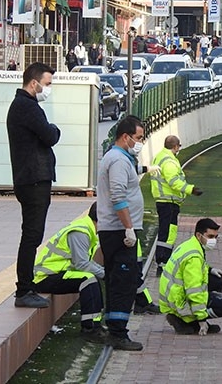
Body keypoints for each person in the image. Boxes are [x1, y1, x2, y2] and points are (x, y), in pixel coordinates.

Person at [6, 62, 60, 308]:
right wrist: (54, 129)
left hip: (31, 178)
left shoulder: (25, 106)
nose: (49, 89)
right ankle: (24, 289)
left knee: (32, 234)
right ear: (34, 83)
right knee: (31, 235)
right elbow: (50, 136)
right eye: (47, 84)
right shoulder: (27, 107)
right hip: (33, 179)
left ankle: (26, 285)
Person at [96, 116, 146, 351]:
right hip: (119, 231)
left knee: (121, 280)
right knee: (123, 281)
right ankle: (118, 332)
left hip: (119, 230)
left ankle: (116, 329)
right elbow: (118, 195)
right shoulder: (117, 160)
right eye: (138, 138)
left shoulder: (122, 158)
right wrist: (128, 227)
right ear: (125, 137)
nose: (140, 143)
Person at [33, 203, 107, 344]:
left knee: (91, 279)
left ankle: (95, 326)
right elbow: (82, 264)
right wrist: (106, 275)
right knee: (89, 279)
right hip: (45, 277)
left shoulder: (87, 229)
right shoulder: (81, 232)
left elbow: (84, 262)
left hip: (56, 273)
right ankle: (89, 329)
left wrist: (103, 273)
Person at [160, 218, 222, 336]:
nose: (213, 240)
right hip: (178, 301)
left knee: (218, 280)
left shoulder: (191, 245)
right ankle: (184, 319)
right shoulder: (193, 257)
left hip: (173, 294)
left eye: (215, 237)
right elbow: (193, 290)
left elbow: (194, 270)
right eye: (210, 236)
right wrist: (201, 319)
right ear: (199, 235)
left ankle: (188, 317)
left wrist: (210, 270)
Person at [150, 135, 203, 275]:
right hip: (168, 201)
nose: (179, 149)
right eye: (179, 146)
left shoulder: (161, 157)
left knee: (169, 233)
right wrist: (191, 189)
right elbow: (174, 182)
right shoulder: (169, 161)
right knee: (166, 233)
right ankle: (162, 263)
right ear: (175, 146)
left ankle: (164, 262)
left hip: (168, 201)